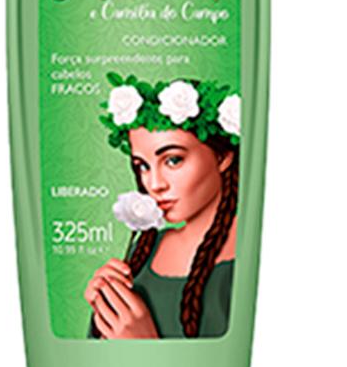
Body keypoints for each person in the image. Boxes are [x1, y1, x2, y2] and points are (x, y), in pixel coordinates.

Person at [86, 123, 239, 339]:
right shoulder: (145, 250)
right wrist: (104, 312)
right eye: (143, 166)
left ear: (222, 157)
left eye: (173, 160)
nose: (155, 184)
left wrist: (144, 347)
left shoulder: (253, 256)